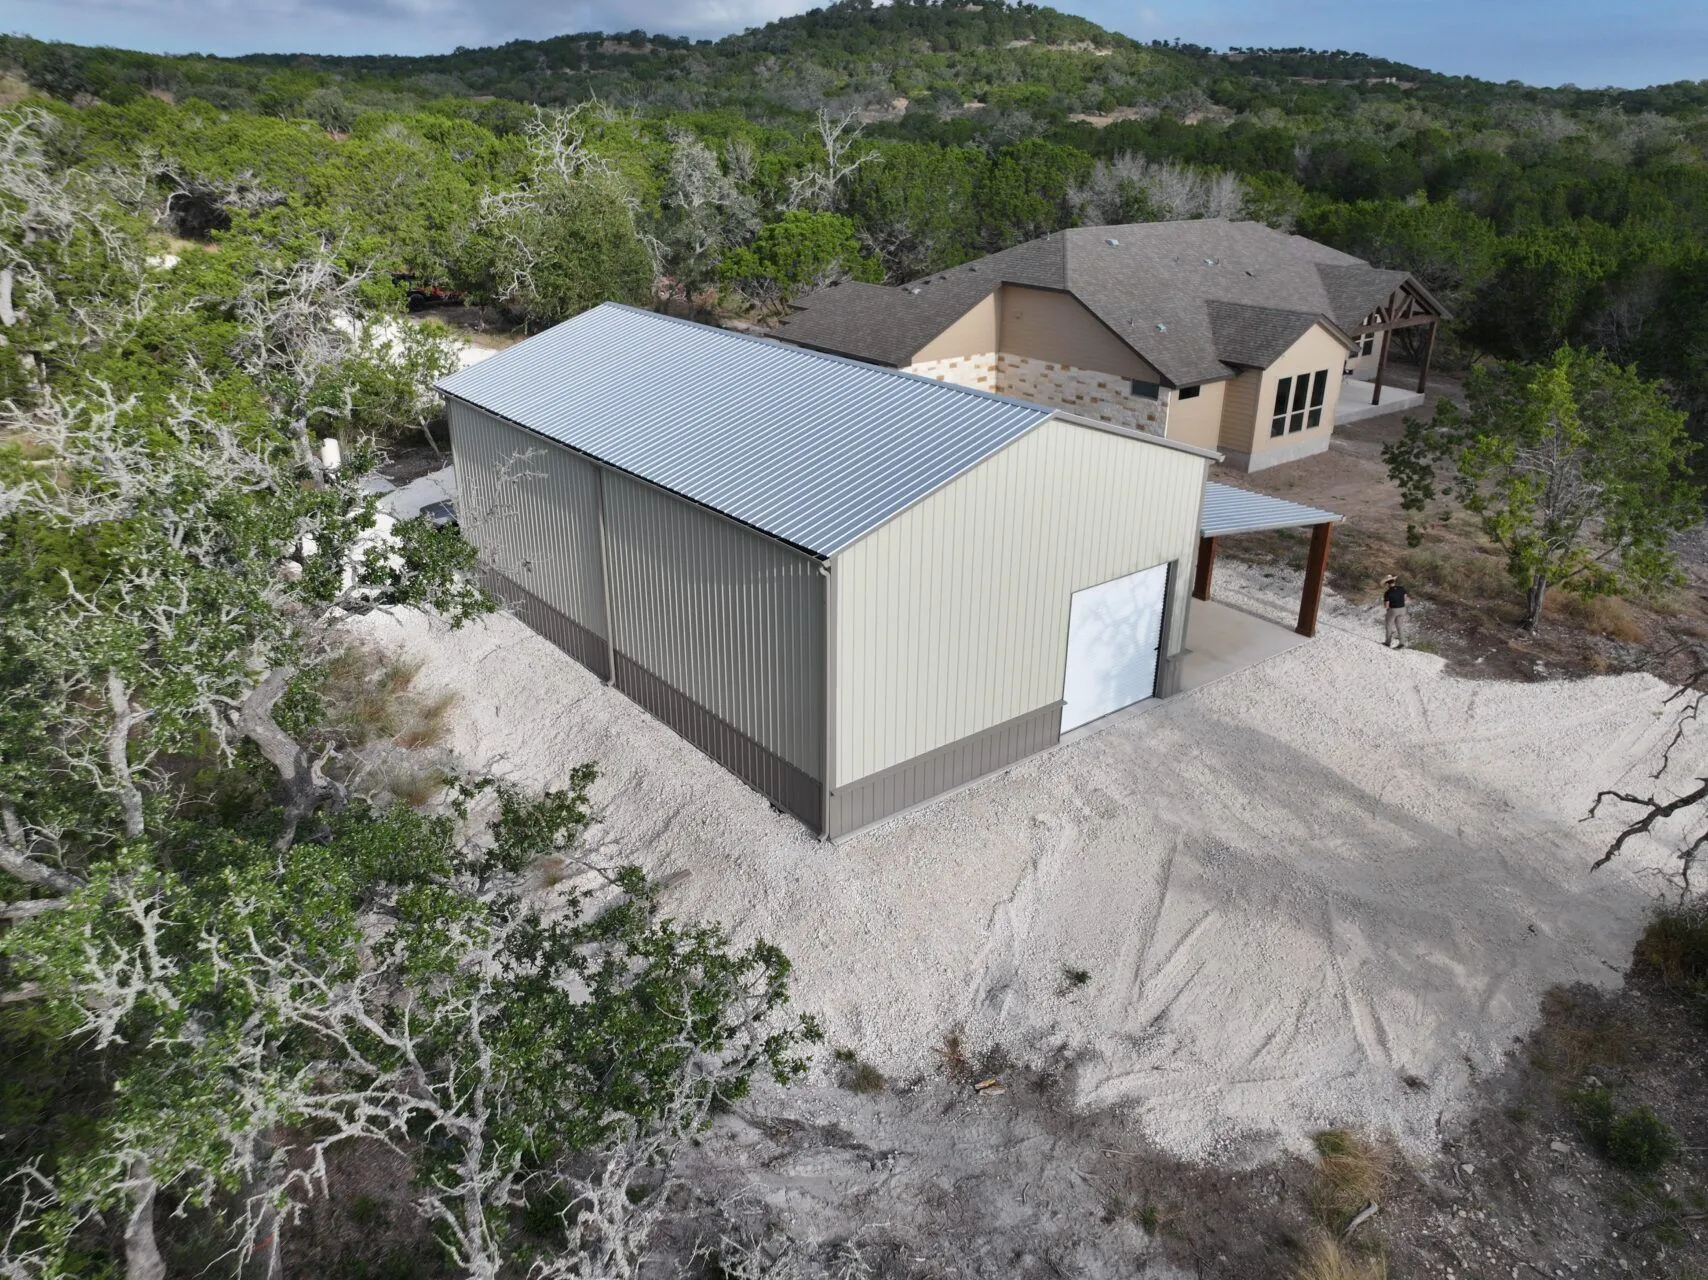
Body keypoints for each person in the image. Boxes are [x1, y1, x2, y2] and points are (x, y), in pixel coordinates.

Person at [1382, 574, 1407, 648]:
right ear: (1394, 581)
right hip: (1402, 609)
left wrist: (1388, 608)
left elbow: (1386, 605)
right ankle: (1402, 643)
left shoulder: (1387, 592)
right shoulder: (1401, 588)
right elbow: (1405, 597)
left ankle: (1387, 642)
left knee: (1389, 626)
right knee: (1400, 626)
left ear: (1387, 583)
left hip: (1393, 610)